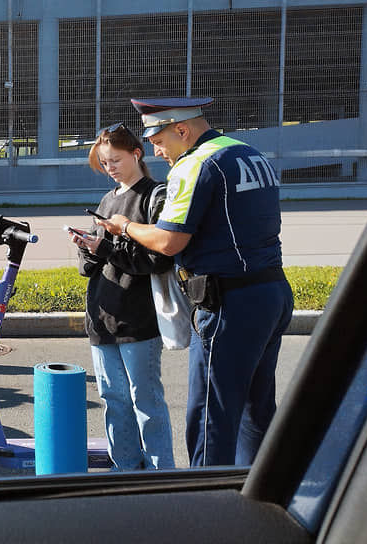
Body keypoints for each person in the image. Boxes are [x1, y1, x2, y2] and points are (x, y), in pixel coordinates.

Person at [98, 97, 294, 467]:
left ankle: (204, 504)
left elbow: (169, 242)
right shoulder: (248, 153)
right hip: (272, 292)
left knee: (210, 417)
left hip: (230, 302)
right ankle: (255, 493)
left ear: (181, 130)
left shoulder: (195, 164)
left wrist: (124, 226)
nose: (156, 152)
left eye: (158, 141)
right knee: (256, 407)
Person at [67, 122, 175, 470]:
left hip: (137, 316)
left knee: (145, 400)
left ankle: (160, 473)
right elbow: (92, 266)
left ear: (136, 154)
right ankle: (125, 469)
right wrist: (88, 247)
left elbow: (157, 260)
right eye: (104, 163)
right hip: (102, 314)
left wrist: (108, 247)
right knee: (113, 398)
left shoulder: (153, 196)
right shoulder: (108, 199)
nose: (109, 168)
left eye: (114, 160)